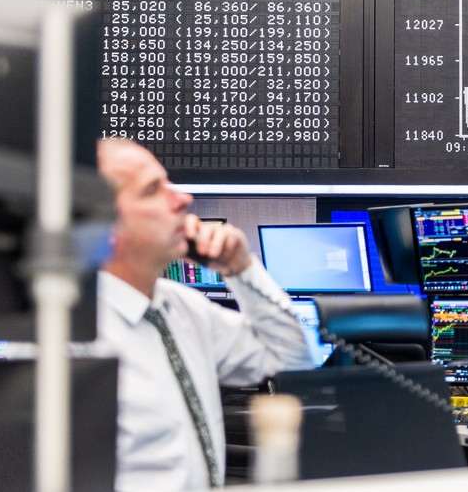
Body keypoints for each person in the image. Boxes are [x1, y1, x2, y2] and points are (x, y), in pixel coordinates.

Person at [95, 139, 313, 491]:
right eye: (153, 190)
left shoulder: (184, 308)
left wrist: (242, 270)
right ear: (104, 220)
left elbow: (290, 356)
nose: (182, 198)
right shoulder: (71, 332)